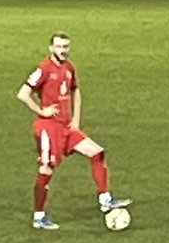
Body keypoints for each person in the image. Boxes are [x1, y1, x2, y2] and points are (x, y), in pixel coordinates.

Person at [16, 33, 131, 231]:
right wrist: (41, 110)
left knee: (97, 152)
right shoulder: (43, 69)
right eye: (59, 46)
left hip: (66, 127)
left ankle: (105, 199)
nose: (63, 50)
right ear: (51, 48)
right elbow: (22, 94)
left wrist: (76, 119)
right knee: (46, 169)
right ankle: (39, 216)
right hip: (48, 128)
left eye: (66, 46)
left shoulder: (69, 68)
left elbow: (75, 91)